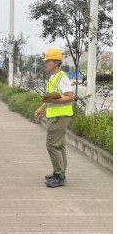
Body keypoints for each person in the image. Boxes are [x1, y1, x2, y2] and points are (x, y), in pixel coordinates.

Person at [34, 48, 75, 188]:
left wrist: (54, 102)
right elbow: (52, 97)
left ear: (56, 62)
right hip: (55, 115)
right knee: (60, 145)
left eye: (48, 61)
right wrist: (41, 108)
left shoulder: (62, 77)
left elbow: (70, 96)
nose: (45, 64)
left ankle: (59, 175)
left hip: (60, 116)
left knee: (52, 145)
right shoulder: (53, 77)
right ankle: (60, 173)